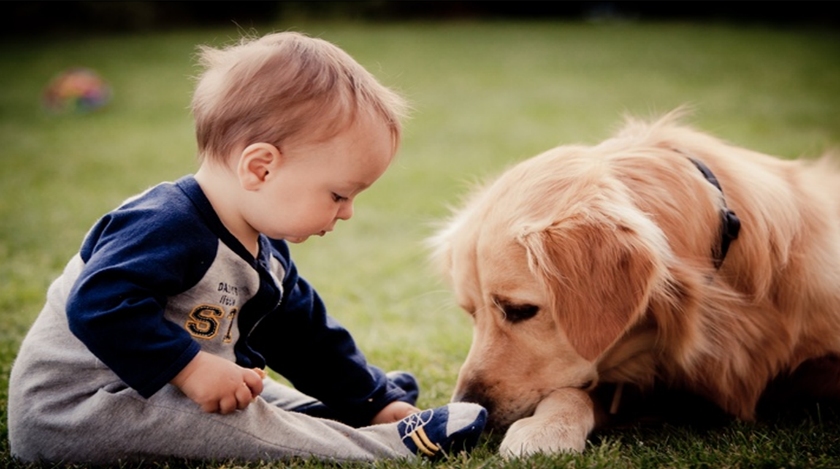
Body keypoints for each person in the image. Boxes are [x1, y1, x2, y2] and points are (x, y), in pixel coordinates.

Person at [7, 31, 486, 464]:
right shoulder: (164, 224)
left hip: (162, 393)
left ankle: (350, 415)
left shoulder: (262, 248)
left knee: (256, 395)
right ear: (261, 168)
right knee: (248, 421)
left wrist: (372, 398)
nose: (347, 213)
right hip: (82, 409)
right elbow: (98, 303)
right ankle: (392, 445)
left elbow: (305, 337)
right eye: (339, 195)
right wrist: (190, 367)